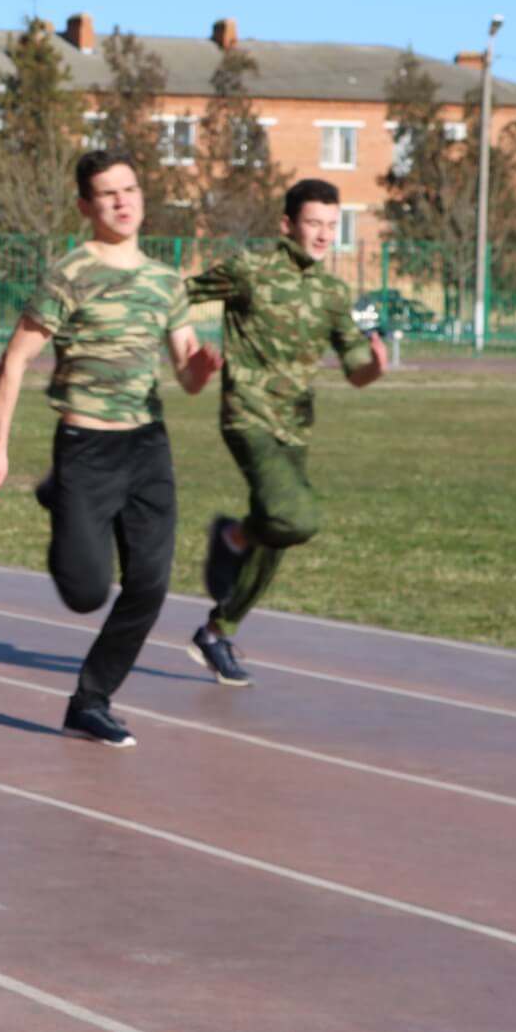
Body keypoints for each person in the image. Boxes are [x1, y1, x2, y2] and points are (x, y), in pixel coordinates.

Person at [0, 151, 220, 748]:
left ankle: (91, 699)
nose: (122, 201)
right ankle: (57, 494)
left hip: (147, 448)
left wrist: (202, 366)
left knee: (150, 586)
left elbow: (184, 371)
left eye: (130, 189)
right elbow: (16, 358)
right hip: (85, 447)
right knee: (85, 593)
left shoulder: (166, 280)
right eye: (107, 194)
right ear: (86, 207)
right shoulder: (71, 273)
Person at [183, 178, 388, 686]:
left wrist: (375, 367)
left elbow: (355, 369)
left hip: (295, 430)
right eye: (313, 223)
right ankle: (233, 535)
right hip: (248, 416)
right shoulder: (248, 270)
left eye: (330, 225)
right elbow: (177, 295)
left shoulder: (333, 293)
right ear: (287, 224)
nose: (322, 234)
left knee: (277, 536)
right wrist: (187, 353)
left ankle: (216, 631)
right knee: (295, 517)